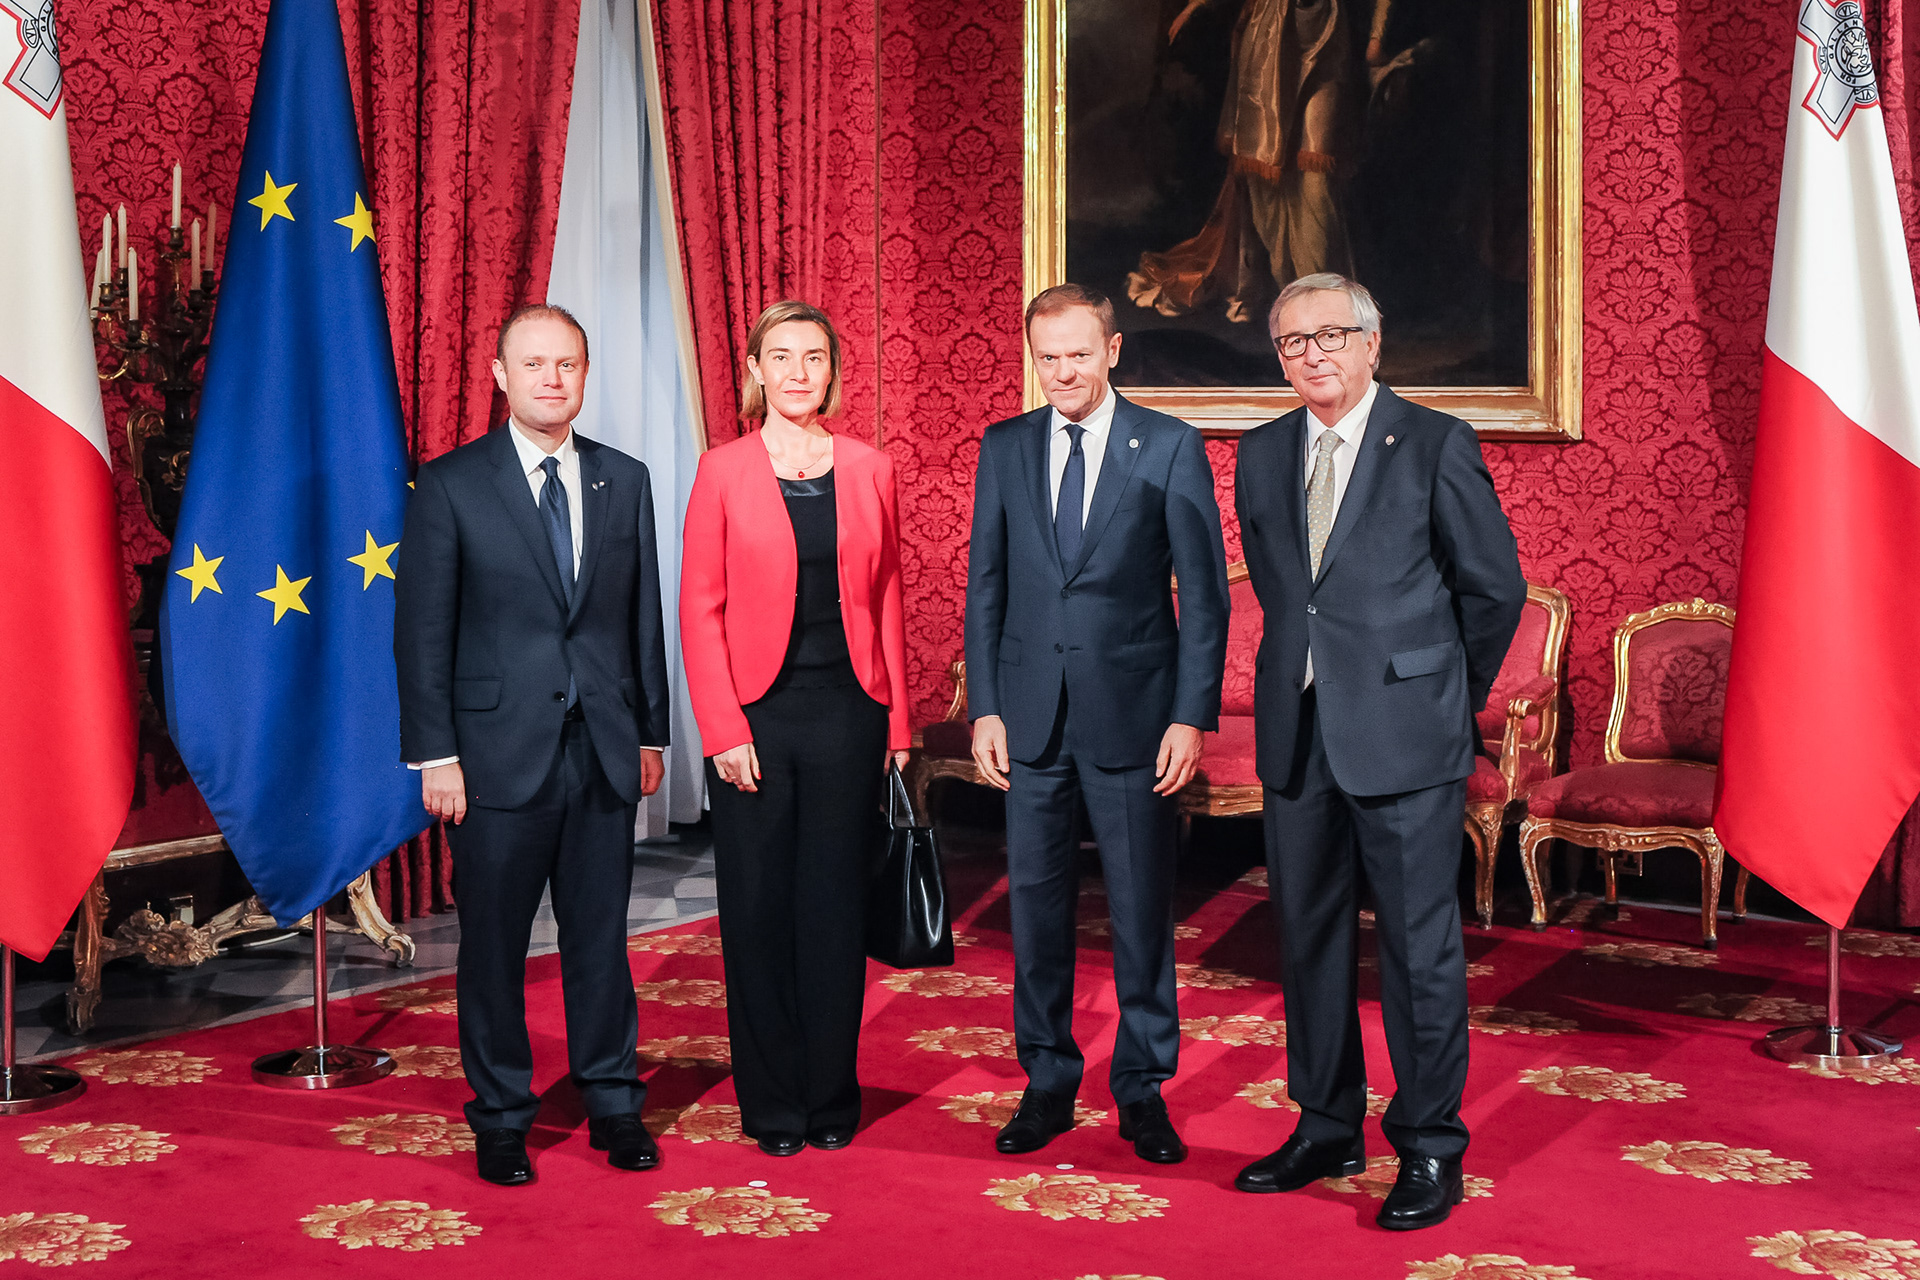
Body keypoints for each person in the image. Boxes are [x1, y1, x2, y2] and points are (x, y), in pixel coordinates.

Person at [1231, 273, 1524, 1229]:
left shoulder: (1435, 441)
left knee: (1417, 949)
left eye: (1330, 335)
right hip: (1299, 733)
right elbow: (1288, 596)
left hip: (1407, 736)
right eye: (1293, 342)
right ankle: (1325, 1125)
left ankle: (1431, 1145)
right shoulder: (1262, 452)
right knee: (1307, 939)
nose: (1312, 354)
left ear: (1371, 343)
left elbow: (1494, 589)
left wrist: (1444, 700)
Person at [394, 304, 671, 1187]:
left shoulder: (624, 479)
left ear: (585, 375)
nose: (553, 379)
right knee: (494, 949)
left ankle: (613, 1101)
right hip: (491, 757)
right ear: (500, 376)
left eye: (568, 364)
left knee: (600, 941)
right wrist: (436, 754)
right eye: (535, 364)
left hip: (602, 750)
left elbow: (641, 618)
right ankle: (503, 1116)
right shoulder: (450, 485)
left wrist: (651, 733)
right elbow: (422, 633)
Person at [965, 283, 1230, 1164]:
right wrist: (987, 706)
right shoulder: (1005, 446)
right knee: (1036, 912)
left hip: (1135, 718)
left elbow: (1206, 596)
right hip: (1031, 718)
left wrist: (1190, 715)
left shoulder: (1170, 444)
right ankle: (1046, 1080)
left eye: (1079, 354)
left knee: (1141, 912)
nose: (1063, 372)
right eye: (1048, 357)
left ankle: (1142, 1089)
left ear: (1113, 351)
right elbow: (987, 586)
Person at [680, 300, 911, 1158]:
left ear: (832, 370)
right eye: (781, 356)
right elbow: (698, 610)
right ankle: (773, 1104)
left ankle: (830, 1096)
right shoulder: (721, 471)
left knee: (834, 909)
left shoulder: (871, 468)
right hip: (756, 722)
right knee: (757, 911)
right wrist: (721, 728)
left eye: (813, 356)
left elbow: (887, 598)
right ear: (756, 369)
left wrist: (897, 726)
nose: (798, 372)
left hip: (850, 714)